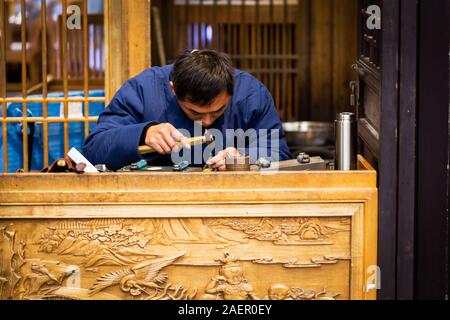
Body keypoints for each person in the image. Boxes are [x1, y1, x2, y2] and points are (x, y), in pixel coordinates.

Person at [83, 49, 291, 171]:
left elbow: (279, 153)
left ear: (231, 89)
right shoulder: (144, 89)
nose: (208, 121)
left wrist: (244, 157)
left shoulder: (251, 93)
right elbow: (93, 150)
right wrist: (143, 134)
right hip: (155, 204)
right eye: (196, 113)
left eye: (218, 111)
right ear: (173, 89)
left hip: (232, 204)